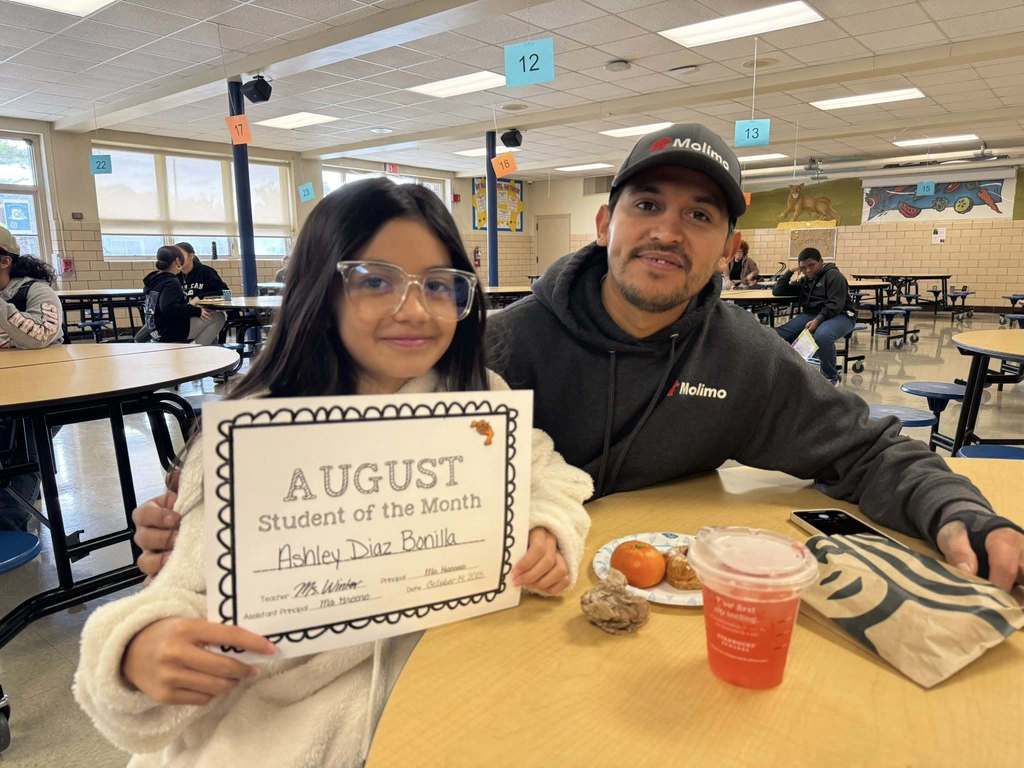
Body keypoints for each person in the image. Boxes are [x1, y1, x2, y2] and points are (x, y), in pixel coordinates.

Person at [132, 125, 1023, 596]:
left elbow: (865, 449)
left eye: (701, 216)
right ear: (607, 224)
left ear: (728, 247)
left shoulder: (748, 362)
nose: (668, 231)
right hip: (464, 616)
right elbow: (318, 414)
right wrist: (202, 517)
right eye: (647, 203)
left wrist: (962, 515)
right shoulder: (492, 347)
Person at [74, 179, 592, 767]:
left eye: (440, 285)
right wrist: (136, 652)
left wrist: (546, 526)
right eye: (375, 281)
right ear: (322, 289)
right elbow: (182, 592)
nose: (415, 308)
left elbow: (549, 472)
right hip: (274, 729)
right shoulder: (258, 430)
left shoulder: (478, 399)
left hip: (439, 690)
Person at [0, 225, 63, 531]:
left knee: (25, 448)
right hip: (6, 388)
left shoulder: (35, 292)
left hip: (44, 391)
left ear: (5, 260)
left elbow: (40, 336)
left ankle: (8, 525)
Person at [772, 248, 855, 385]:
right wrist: (790, 272)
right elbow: (778, 291)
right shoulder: (806, 280)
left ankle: (831, 377)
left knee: (823, 335)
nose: (808, 270)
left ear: (821, 262)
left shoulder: (834, 276)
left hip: (842, 315)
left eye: (812, 265)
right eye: (803, 267)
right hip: (813, 315)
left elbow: (835, 305)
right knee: (777, 334)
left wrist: (818, 320)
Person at [142, 246, 213, 343]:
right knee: (218, 317)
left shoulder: (154, 279)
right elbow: (169, 308)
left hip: (155, 329)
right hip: (168, 332)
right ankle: (198, 351)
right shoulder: (172, 280)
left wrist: (199, 298)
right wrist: (196, 310)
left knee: (208, 316)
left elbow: (226, 292)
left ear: (191, 256)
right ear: (178, 261)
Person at [176, 241, 227, 345]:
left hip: (204, 314)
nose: (178, 260)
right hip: (186, 316)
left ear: (191, 256)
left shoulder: (206, 272)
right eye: (175, 257)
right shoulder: (175, 276)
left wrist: (200, 297)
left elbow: (227, 294)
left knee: (217, 318)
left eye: (181, 256)